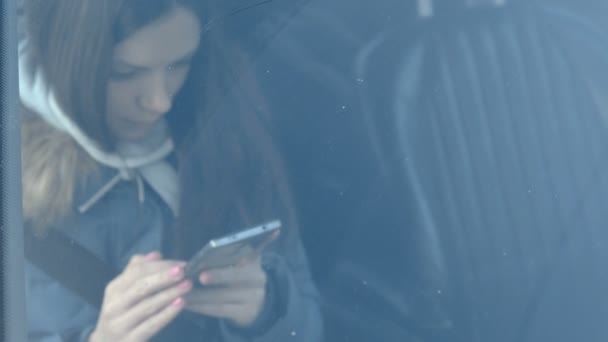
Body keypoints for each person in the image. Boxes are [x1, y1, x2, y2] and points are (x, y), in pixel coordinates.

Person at [19, 0, 322, 341]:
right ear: (63, 54)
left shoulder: (229, 138)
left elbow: (308, 326)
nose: (160, 101)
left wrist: (266, 311)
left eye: (179, 65)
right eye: (125, 73)